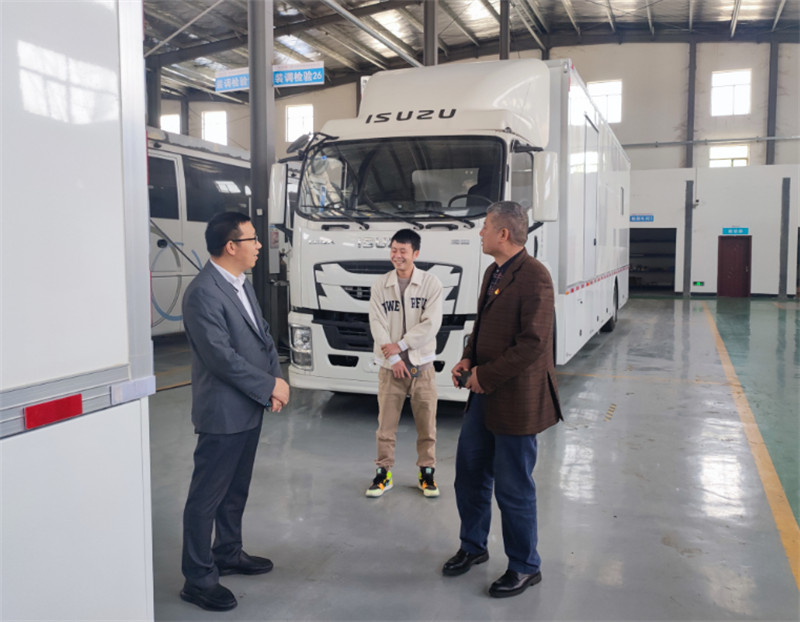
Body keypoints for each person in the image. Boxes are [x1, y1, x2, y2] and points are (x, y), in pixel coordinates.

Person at [442, 201, 562, 598]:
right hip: (483, 397)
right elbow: (483, 326)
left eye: (485, 227)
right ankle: (473, 546)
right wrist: (468, 359)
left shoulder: (535, 276)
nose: (480, 233)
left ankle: (525, 566)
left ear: (503, 234)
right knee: (470, 476)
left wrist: (484, 376)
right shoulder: (494, 271)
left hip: (515, 401)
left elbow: (533, 343)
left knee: (513, 487)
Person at [179, 211, 290, 612]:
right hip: (223, 413)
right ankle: (197, 577)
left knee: (235, 489)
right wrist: (268, 386)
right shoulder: (203, 293)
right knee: (207, 496)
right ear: (231, 246)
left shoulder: (241, 283)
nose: (260, 245)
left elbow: (263, 336)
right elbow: (220, 358)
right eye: (253, 239)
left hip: (249, 406)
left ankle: (227, 552)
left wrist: (276, 381)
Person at [366, 229, 444, 498]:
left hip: (422, 368)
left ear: (415, 254)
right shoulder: (380, 285)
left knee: (427, 425)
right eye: (394, 250)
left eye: (403, 251)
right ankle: (383, 473)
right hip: (391, 369)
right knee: (385, 426)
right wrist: (393, 358)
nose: (397, 255)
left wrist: (400, 346)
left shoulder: (431, 284)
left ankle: (427, 472)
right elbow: (377, 323)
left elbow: (431, 324)